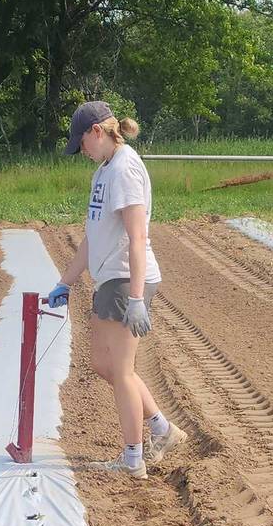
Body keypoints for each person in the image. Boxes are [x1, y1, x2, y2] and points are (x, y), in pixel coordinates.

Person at [45, 100, 179, 479]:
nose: (82, 151)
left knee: (122, 371)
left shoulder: (124, 169)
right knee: (103, 365)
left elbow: (138, 237)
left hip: (126, 278)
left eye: (82, 143)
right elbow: (93, 237)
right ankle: (162, 429)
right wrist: (65, 281)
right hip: (109, 279)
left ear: (96, 132)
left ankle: (133, 459)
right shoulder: (104, 171)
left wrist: (136, 299)